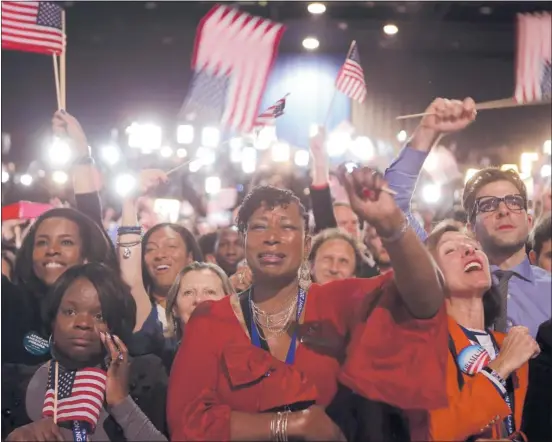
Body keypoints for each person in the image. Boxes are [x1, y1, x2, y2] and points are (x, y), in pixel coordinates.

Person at [167, 167, 449, 441]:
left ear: (306, 245)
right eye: (259, 227)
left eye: (287, 227)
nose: (272, 237)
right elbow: (187, 423)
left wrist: (391, 225)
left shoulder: (335, 302)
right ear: (244, 241)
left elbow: (424, 301)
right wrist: (292, 424)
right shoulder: (211, 319)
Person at [385, 97, 551, 337]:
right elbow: (391, 208)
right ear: (471, 227)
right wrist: (428, 132)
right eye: (489, 204)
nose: (503, 210)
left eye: (514, 202)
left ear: (529, 220)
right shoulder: (445, 276)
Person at [4, 263, 167, 441]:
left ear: (117, 324)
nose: (83, 323)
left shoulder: (146, 375)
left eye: (99, 316)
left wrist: (122, 402)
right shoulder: (14, 382)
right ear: (53, 319)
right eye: (70, 311)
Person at [407, 222, 537, 441]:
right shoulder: (420, 345)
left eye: (475, 247)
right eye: (450, 250)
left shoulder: (515, 344)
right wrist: (499, 368)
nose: (470, 250)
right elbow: (434, 433)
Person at [2, 208, 117, 365]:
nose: (52, 250)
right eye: (42, 242)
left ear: (87, 255)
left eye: (66, 242)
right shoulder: (11, 302)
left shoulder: (110, 304)